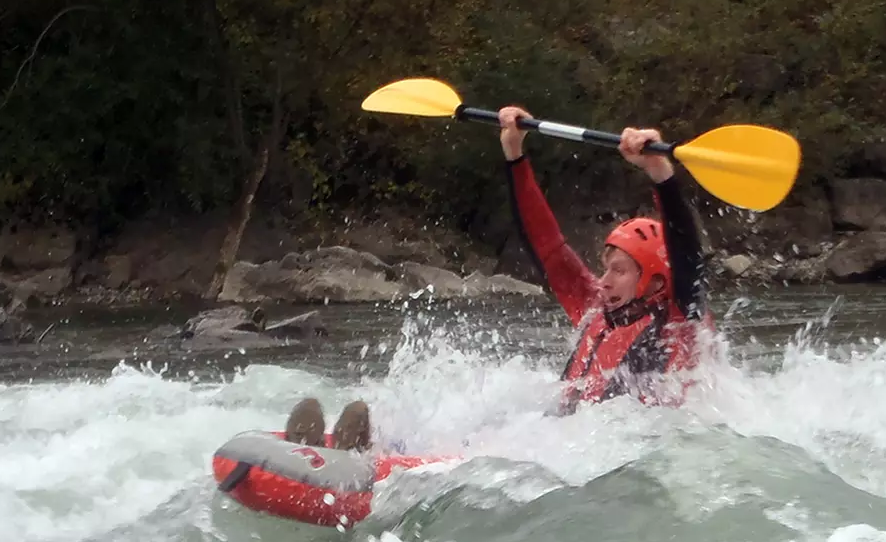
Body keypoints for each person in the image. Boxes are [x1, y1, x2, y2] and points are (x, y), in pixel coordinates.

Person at [283, 105, 710, 447]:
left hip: (614, 456)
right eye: (604, 267)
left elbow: (687, 254)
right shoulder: (595, 310)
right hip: (564, 442)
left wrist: (660, 175)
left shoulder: (678, 325)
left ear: (654, 282)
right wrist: (514, 152)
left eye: (618, 271)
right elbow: (548, 247)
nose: (602, 281)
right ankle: (372, 445)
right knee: (487, 431)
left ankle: (374, 454)